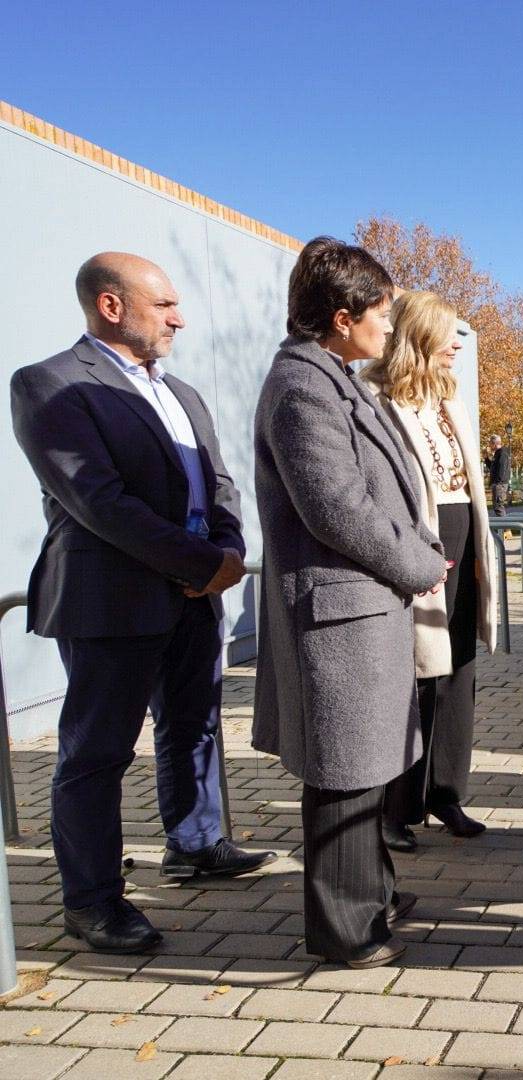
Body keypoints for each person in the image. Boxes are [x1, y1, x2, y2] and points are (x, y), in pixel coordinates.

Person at [10, 252, 276, 954]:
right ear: (111, 306)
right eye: (164, 305)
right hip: (112, 601)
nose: (179, 317)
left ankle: (195, 845)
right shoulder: (50, 385)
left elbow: (218, 484)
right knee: (96, 754)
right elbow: (97, 500)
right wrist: (199, 564)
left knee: (193, 727)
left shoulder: (181, 393)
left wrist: (223, 552)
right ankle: (92, 901)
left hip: (194, 598)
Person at [252, 237, 448, 968]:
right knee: (343, 772)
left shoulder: (331, 377)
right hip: (340, 612)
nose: (389, 326)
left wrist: (415, 553)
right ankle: (345, 931)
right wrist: (418, 562)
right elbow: (337, 507)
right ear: (341, 317)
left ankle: (374, 897)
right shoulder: (302, 386)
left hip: (362, 607)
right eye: (382, 312)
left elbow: (382, 490)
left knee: (366, 766)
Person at [361, 290, 499, 851]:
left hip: (464, 541)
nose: (459, 345)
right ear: (419, 335)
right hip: (414, 545)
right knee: (415, 677)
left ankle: (447, 794)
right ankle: (396, 808)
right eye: (450, 334)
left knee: (458, 671)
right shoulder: (374, 397)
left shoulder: (449, 398)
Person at [486, 434, 511, 516]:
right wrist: (486, 458)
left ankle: (505, 528)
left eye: (490, 443)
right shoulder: (497, 453)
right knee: (497, 506)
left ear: (494, 444)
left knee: (498, 506)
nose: (489, 446)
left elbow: (502, 469)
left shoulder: (502, 453)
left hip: (500, 484)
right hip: (498, 484)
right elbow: (492, 468)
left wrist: (497, 483)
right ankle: (503, 527)